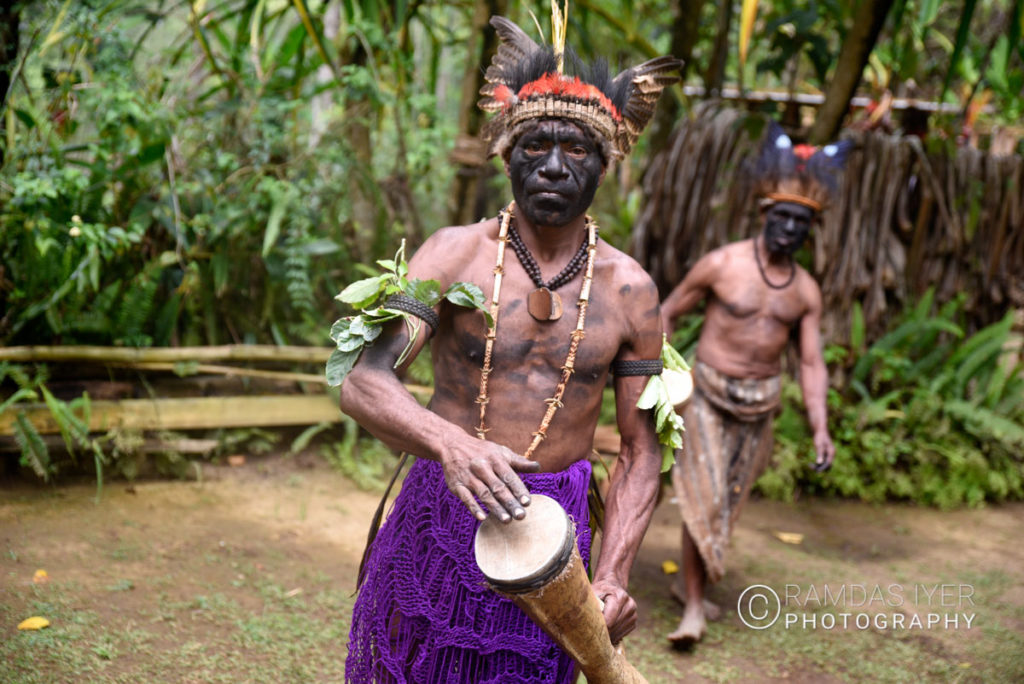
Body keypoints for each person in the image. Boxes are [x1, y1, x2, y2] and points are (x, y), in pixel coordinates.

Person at [339, 14, 681, 683]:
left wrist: (610, 573)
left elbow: (643, 447)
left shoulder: (630, 290)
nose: (553, 165)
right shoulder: (452, 255)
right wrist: (452, 445)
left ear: (606, 163)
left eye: (577, 149)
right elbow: (363, 379)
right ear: (505, 154)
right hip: (442, 506)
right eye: (536, 145)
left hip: (555, 538)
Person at [659, 122, 849, 646]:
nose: (789, 230)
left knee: (725, 500)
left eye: (801, 223)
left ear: (810, 231)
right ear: (764, 215)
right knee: (705, 492)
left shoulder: (804, 291)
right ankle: (694, 606)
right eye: (782, 217)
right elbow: (668, 312)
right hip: (707, 396)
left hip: (760, 405)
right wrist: (663, 378)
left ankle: (688, 588)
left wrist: (820, 429)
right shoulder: (722, 264)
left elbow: (811, 364)